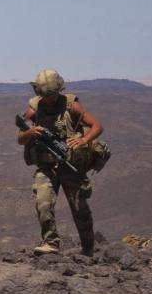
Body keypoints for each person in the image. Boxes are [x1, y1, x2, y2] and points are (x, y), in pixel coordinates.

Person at [17, 69, 103, 257]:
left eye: (52, 94)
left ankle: (88, 249)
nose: (48, 98)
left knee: (79, 208)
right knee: (43, 202)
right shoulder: (34, 107)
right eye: (44, 95)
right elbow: (20, 138)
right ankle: (51, 242)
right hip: (46, 166)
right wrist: (30, 133)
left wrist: (84, 139)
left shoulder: (71, 104)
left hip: (71, 166)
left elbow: (97, 126)